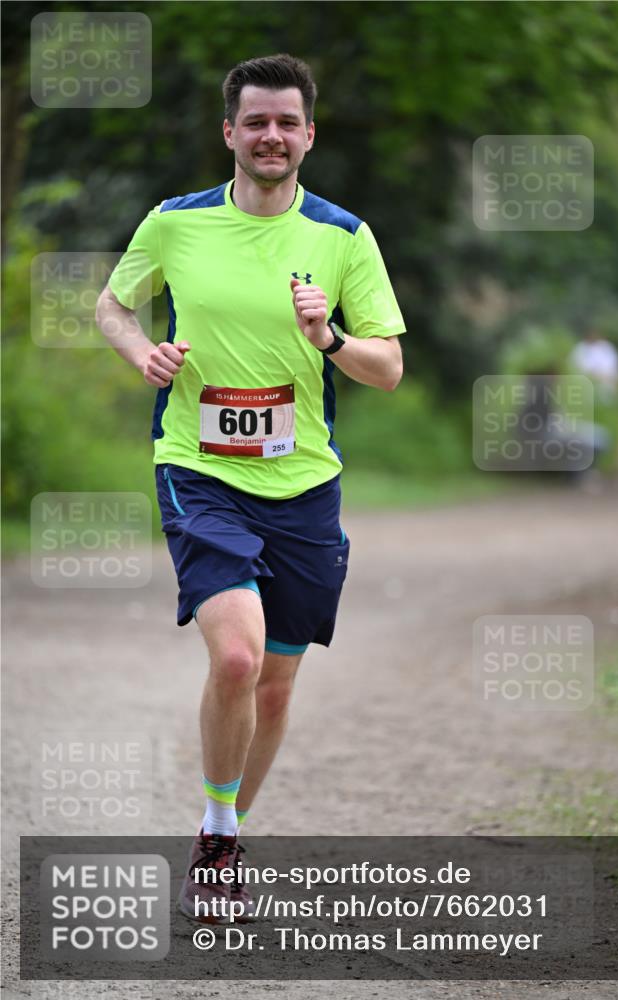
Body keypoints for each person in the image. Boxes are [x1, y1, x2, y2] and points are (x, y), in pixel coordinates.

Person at [95, 53, 405, 923]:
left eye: (287, 122)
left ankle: (217, 826)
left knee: (273, 683)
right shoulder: (175, 223)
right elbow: (114, 306)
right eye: (255, 121)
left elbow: (387, 369)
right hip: (198, 468)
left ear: (309, 134)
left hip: (304, 484)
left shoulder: (344, 237)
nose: (271, 135)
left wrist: (330, 338)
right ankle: (222, 840)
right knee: (234, 655)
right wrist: (138, 353)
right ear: (229, 132)